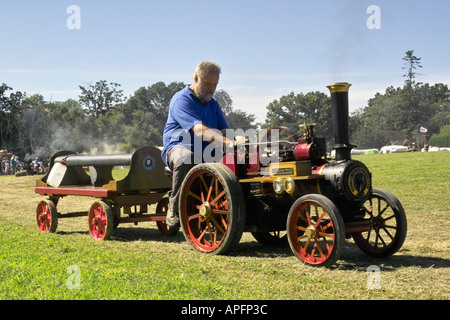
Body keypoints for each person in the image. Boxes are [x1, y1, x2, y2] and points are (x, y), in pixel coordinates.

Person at [161, 61, 240, 228]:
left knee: (239, 160)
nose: (211, 88)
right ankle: (174, 208)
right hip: (178, 148)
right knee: (187, 158)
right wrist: (227, 142)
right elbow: (198, 131)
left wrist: (238, 139)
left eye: (215, 84)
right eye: (207, 84)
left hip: (207, 151)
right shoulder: (181, 100)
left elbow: (224, 130)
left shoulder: (213, 103)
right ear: (196, 78)